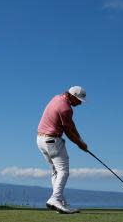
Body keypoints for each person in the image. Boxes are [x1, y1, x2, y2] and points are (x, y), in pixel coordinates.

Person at [36, 86, 88, 214]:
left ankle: (61, 202)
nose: (80, 103)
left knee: (55, 172)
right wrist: (79, 144)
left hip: (40, 140)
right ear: (71, 95)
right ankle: (55, 199)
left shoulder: (57, 98)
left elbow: (71, 125)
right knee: (64, 172)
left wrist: (80, 139)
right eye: (78, 100)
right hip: (52, 141)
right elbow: (68, 131)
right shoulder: (66, 109)